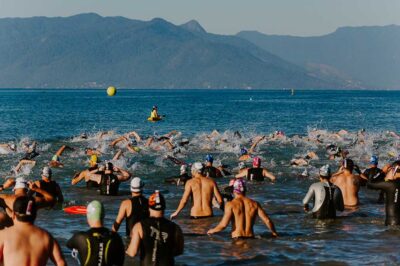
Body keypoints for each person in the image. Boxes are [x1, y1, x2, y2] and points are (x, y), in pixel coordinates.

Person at [0, 196, 66, 266]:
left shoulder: (4, 235)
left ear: (13, 214)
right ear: (35, 214)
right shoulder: (46, 237)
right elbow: (61, 263)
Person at [126, 191, 184, 265]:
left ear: (149, 207)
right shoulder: (176, 228)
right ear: (164, 207)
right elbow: (179, 251)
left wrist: (126, 250)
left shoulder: (139, 226)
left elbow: (132, 253)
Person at [207, 179, 278, 238]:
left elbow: (223, 225)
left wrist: (212, 231)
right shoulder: (255, 203)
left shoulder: (230, 204)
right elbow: (267, 220)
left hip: (237, 239)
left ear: (234, 190)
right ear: (245, 189)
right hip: (251, 238)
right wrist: (274, 233)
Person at [67, 201, 125, 266]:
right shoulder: (115, 238)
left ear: (88, 218)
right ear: (103, 216)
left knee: (75, 250)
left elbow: (68, 245)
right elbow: (120, 262)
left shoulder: (80, 237)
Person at [367, 160, 400, 225]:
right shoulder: (391, 184)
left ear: (394, 171)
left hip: (392, 223)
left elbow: (369, 184)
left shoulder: (390, 185)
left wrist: (381, 172)